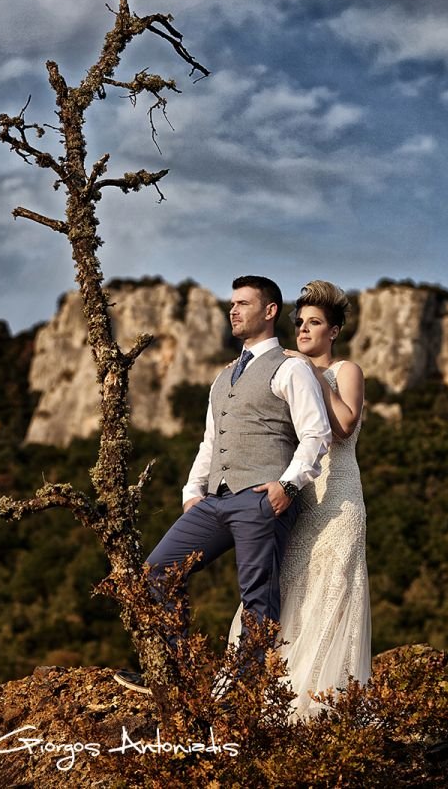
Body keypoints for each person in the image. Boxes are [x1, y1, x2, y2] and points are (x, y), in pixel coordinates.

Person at [114, 275, 332, 694]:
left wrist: (286, 486)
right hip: (215, 500)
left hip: (262, 498)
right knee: (156, 572)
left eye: (244, 304)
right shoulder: (222, 377)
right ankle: (181, 676)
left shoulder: (291, 368)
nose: (233, 310)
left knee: (257, 598)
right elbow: (210, 442)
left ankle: (245, 697)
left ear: (270, 311)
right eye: (232, 304)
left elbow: (316, 434)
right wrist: (192, 493)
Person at [228, 280, 372, 717]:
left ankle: (318, 706)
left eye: (314, 323)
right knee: (283, 583)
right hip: (298, 494)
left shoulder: (345, 370)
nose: (304, 330)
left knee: (331, 589)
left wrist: (310, 374)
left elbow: (343, 425)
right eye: (300, 323)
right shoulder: (287, 370)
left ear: (335, 331)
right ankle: (264, 692)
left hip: (338, 496)